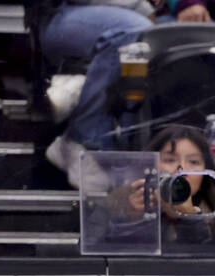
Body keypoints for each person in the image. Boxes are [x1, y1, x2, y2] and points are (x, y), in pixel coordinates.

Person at [40, 0, 161, 187]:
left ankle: (127, 150)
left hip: (128, 13)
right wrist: (142, 7)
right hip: (61, 13)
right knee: (135, 30)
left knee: (172, 33)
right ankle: (83, 141)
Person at [112, 124, 215, 248]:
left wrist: (187, 216)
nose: (181, 170)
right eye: (170, 160)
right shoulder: (129, 199)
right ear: (151, 164)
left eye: (193, 162)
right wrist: (132, 218)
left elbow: (214, 259)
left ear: (206, 170)